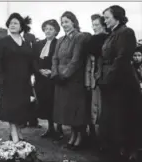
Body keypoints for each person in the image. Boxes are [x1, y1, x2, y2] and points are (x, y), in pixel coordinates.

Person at [98, 5, 141, 160]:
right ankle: (114, 148)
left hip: (122, 82)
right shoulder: (112, 34)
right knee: (112, 117)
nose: (105, 21)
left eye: (107, 17)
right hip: (111, 79)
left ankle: (126, 150)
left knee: (122, 116)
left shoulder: (126, 32)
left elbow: (122, 58)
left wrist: (107, 79)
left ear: (117, 17)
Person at [51, 11, 91, 150]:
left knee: (76, 110)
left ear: (73, 22)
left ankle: (80, 137)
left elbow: (76, 59)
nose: (64, 25)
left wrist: (65, 75)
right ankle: (73, 135)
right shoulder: (61, 39)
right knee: (66, 110)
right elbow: (55, 58)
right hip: (60, 79)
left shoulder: (79, 37)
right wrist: (55, 74)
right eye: (62, 22)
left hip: (74, 79)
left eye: (67, 22)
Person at [0, 13, 34, 143]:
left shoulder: (26, 43)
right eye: (10, 23)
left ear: (21, 26)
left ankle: (19, 132)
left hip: (23, 82)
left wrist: (35, 74)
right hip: (8, 81)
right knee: (11, 109)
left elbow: (31, 62)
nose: (12, 25)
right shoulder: (3, 42)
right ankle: (14, 135)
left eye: (15, 23)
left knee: (21, 108)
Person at [32, 19, 63, 140]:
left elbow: (60, 60)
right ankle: (50, 128)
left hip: (53, 78)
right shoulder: (38, 44)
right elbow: (33, 60)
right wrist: (39, 70)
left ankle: (59, 128)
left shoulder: (59, 43)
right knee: (45, 103)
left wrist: (51, 71)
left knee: (56, 102)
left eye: (51, 29)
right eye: (46, 28)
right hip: (41, 78)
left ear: (56, 31)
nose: (48, 31)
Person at [85, 14, 109, 145]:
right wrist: (88, 81)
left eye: (97, 25)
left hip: (106, 79)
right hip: (94, 79)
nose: (94, 28)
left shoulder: (109, 39)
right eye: (93, 25)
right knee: (94, 109)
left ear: (103, 25)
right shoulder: (93, 40)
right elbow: (89, 63)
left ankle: (104, 139)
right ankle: (95, 137)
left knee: (104, 110)